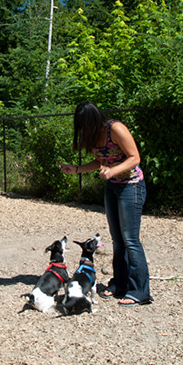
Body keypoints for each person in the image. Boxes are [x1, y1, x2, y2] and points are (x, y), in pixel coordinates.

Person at [59, 100, 152, 305]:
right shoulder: (94, 136)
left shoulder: (116, 129)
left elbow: (134, 157)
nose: (83, 130)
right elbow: (100, 162)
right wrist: (76, 169)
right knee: (117, 239)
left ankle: (140, 291)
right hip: (112, 186)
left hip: (131, 185)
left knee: (131, 239)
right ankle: (120, 284)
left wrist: (113, 170)